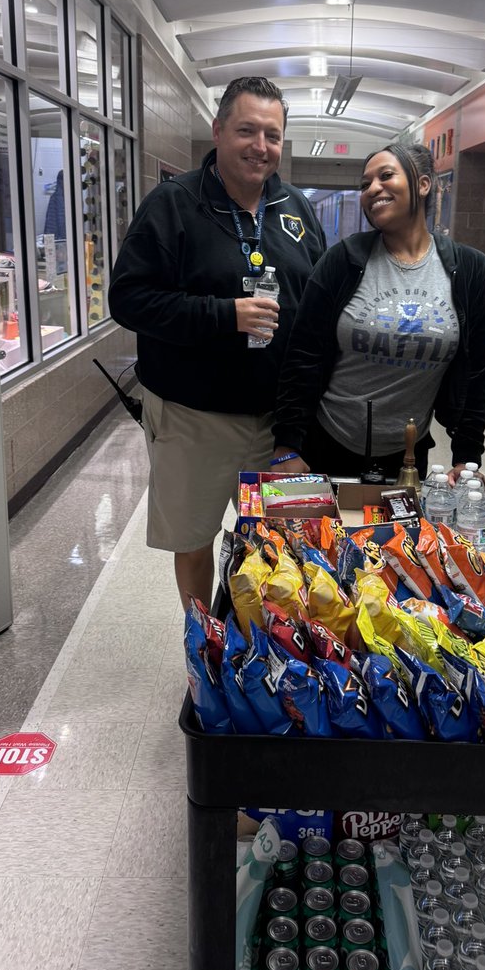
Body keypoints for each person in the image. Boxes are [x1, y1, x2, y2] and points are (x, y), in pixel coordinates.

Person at [109, 77, 326, 611]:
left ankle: (275, 644)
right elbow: (129, 299)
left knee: (280, 544)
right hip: (192, 417)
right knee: (194, 539)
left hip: (277, 423)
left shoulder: (295, 209)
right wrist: (223, 314)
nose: (260, 146)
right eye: (247, 130)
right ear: (218, 131)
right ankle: (201, 643)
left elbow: (318, 300)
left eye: (272, 135)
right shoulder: (173, 205)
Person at [272, 141, 485, 482]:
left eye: (386, 175)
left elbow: (477, 375)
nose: (372, 189)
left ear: (423, 185)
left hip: (408, 454)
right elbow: (302, 355)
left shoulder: (470, 272)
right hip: (325, 444)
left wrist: (467, 458)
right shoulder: (343, 261)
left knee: (396, 537)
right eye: (365, 184)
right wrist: (287, 445)